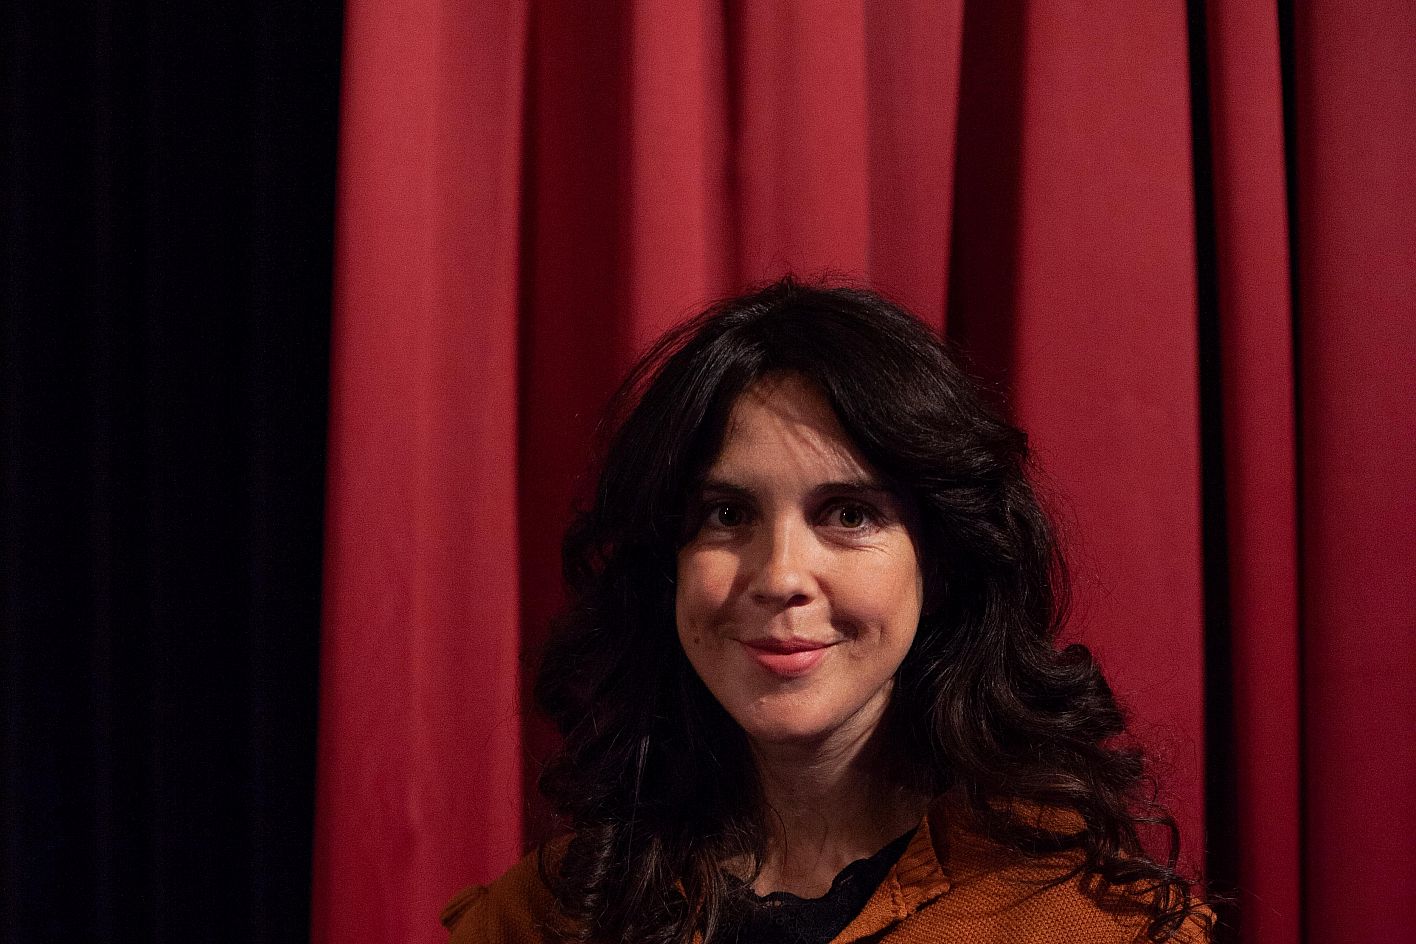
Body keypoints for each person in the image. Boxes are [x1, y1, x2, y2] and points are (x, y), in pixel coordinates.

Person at [442, 278, 1213, 943]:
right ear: (664, 566)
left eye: (848, 514)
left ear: (940, 560)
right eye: (726, 514)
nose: (781, 576)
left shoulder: (1090, 924)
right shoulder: (540, 918)